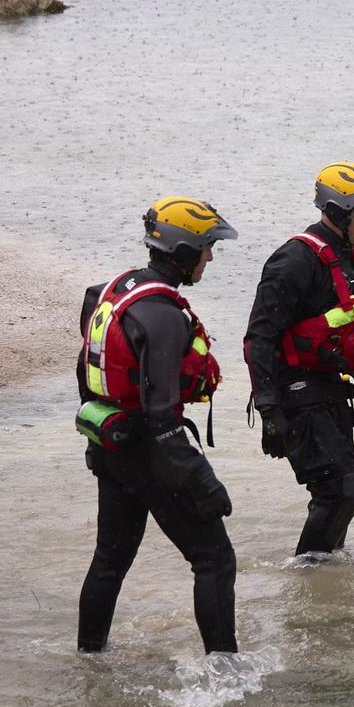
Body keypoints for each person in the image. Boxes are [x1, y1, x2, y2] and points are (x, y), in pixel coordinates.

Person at [76, 197, 239, 655]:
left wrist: (99, 431)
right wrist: (203, 481)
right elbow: (163, 416)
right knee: (214, 558)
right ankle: (224, 678)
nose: (210, 257)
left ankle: (90, 658)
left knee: (110, 561)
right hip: (150, 452)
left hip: (110, 443)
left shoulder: (110, 290)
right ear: (184, 249)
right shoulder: (164, 315)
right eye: (208, 247)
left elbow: (88, 371)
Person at [245, 161, 354, 557]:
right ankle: (308, 582)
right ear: (337, 212)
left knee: (344, 494)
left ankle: (327, 576)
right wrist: (270, 411)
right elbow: (259, 339)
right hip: (296, 395)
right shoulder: (293, 262)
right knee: (342, 492)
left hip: (331, 392)